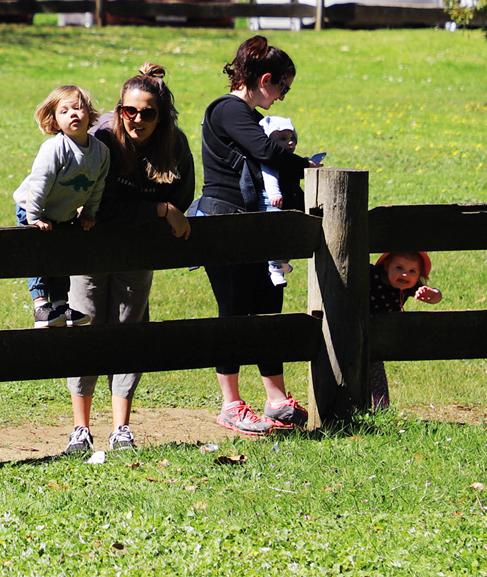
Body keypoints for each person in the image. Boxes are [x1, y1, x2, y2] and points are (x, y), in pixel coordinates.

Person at [62, 63, 195, 456]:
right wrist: (157, 210)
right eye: (129, 111)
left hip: (138, 250)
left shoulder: (174, 144)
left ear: (162, 114)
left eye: (148, 112)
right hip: (91, 244)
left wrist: (163, 210)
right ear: (119, 110)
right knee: (86, 324)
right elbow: (100, 206)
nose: (137, 119)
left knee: (129, 328)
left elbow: (183, 200)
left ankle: (122, 428)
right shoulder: (101, 137)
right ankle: (80, 429)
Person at [194, 35, 313, 434]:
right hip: (225, 222)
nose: (282, 97)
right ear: (266, 79)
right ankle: (230, 404)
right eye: (283, 87)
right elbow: (265, 151)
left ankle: (276, 400)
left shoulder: (241, 112)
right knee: (234, 310)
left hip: (253, 220)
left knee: (267, 306)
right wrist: (305, 167)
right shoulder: (228, 109)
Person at [13, 85, 108, 327]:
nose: (73, 114)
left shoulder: (101, 152)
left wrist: (89, 213)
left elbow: (97, 187)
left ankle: (60, 306)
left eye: (78, 108)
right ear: (55, 121)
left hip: (63, 214)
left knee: (61, 258)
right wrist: (34, 217)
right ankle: (41, 306)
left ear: (89, 113)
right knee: (39, 256)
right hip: (33, 209)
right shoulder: (55, 148)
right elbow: (39, 184)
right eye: (64, 111)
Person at [368, 251, 442, 409]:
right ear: (387, 266)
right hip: (356, 328)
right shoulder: (372, 275)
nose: (404, 274)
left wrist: (432, 294)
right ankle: (350, 403)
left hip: (378, 336)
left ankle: (381, 406)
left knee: (375, 366)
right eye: (399, 267)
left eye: (412, 271)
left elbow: (436, 297)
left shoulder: (410, 287)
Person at [253, 115, 308, 287]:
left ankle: (282, 261)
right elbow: (269, 179)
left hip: (284, 201)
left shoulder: (287, 160)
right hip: (271, 201)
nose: (290, 142)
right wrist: (274, 195)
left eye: (292, 138)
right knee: (277, 232)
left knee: (290, 231)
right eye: (283, 139)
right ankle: (275, 268)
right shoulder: (271, 161)